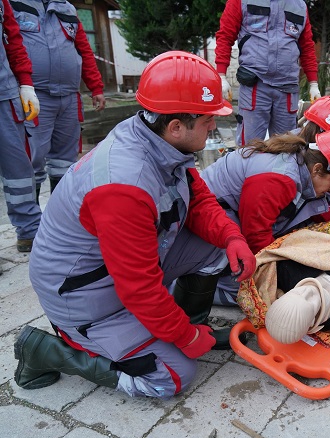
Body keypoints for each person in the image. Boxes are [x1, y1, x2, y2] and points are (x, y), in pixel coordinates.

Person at [14, 51, 256, 399]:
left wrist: (232, 237)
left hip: (115, 272)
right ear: (176, 126)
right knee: (172, 376)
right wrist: (185, 340)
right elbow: (139, 288)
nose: (213, 126)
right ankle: (46, 351)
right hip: (82, 294)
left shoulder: (157, 139)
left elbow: (198, 197)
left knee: (218, 245)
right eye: (207, 120)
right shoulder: (123, 186)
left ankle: (185, 324)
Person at [201, 129, 330, 305]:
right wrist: (276, 272)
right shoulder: (280, 179)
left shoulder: (301, 162)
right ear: (317, 169)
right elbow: (256, 234)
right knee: (252, 293)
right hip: (209, 216)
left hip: (233, 210)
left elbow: (312, 206)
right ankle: (198, 289)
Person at [12, 0, 106, 210]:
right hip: (33, 96)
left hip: (69, 98)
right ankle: (31, 225)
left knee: (65, 162)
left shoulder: (67, 8)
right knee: (31, 161)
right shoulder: (14, 4)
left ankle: (59, 217)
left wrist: (96, 87)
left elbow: (84, 50)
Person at [215, 0, 320, 147]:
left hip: (287, 89)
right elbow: (225, 36)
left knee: (287, 150)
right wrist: (221, 75)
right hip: (255, 86)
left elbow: (307, 46)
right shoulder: (241, 1)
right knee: (250, 149)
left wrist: (313, 83)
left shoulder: (299, 5)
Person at [0, 0, 42, 252]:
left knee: (19, 170)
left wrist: (25, 83)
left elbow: (12, 38)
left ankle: (30, 233)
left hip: (4, 94)